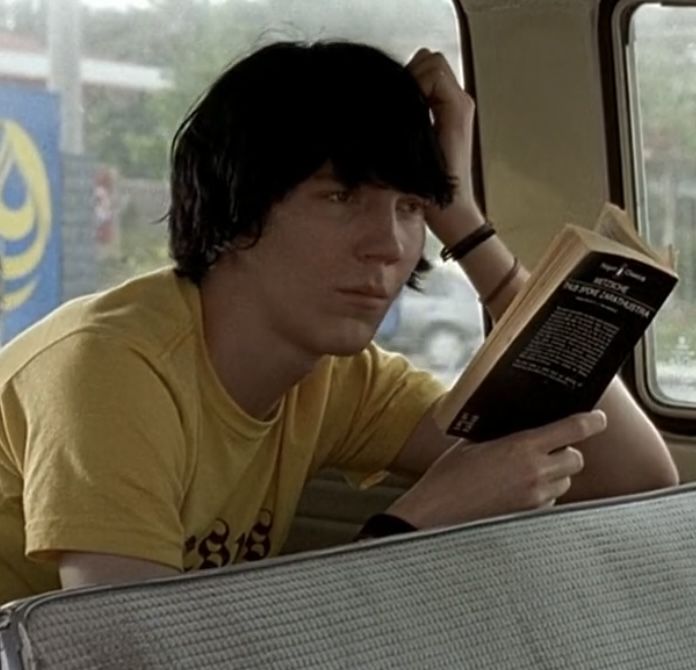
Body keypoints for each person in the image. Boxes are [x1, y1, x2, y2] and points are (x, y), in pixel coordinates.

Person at [0, 41, 677, 604]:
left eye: (410, 206)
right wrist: (414, 525)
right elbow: (124, 655)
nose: (387, 243)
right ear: (237, 214)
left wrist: (463, 220)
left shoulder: (336, 378)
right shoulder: (112, 371)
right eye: (341, 196)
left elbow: (635, 477)